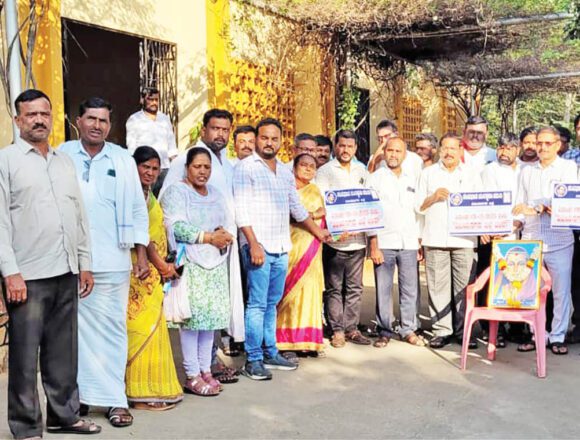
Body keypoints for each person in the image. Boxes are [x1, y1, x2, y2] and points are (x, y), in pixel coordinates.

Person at [0, 89, 101, 438]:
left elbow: (79, 216)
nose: (39, 120)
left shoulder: (63, 161)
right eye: (31, 115)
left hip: (66, 271)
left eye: (44, 113)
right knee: (25, 358)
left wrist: (84, 262)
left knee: (63, 352)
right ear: (18, 120)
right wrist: (10, 271)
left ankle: (64, 415)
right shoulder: (6, 161)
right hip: (27, 276)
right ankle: (27, 427)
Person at [60, 97, 149, 428]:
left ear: (110, 126)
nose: (97, 125)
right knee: (74, 334)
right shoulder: (63, 154)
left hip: (113, 259)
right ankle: (81, 397)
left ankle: (114, 399)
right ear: (78, 121)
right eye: (91, 118)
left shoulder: (122, 158)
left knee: (113, 330)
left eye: (103, 121)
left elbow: (138, 209)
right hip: (70, 260)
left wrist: (140, 254)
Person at [234, 118, 330, 380]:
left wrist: (318, 231)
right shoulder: (246, 168)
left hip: (280, 247)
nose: (269, 143)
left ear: (281, 141)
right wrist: (253, 243)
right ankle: (253, 359)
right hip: (259, 247)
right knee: (256, 304)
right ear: (256, 139)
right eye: (264, 138)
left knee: (271, 303)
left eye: (274, 139)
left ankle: (270, 352)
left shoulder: (286, 171)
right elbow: (241, 210)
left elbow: (296, 208)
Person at [162, 109, 244, 380]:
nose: (220, 133)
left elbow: (226, 213)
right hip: (194, 259)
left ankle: (207, 369)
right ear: (203, 130)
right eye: (215, 128)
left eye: (225, 129)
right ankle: (194, 373)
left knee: (210, 318)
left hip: (218, 258)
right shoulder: (182, 166)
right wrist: (208, 237)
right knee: (193, 319)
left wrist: (223, 235)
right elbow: (170, 217)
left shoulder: (227, 164)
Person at [125, 146, 183, 410]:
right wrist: (161, 265)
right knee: (139, 328)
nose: (149, 172)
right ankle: (138, 394)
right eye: (144, 167)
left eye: (154, 168)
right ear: (134, 167)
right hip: (140, 271)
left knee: (152, 325)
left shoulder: (148, 193)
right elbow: (142, 236)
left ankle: (151, 389)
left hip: (152, 273)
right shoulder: (132, 194)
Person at [513, 126, 578, 355]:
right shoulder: (526, 171)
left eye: (547, 143)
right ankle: (536, 334)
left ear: (558, 145)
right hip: (531, 239)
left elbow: (565, 200)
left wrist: (541, 207)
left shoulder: (568, 168)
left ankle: (558, 335)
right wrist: (516, 221)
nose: (541, 147)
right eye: (538, 143)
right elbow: (520, 204)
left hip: (559, 240)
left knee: (560, 291)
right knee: (533, 291)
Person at [415, 133, 482, 349]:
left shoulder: (472, 174)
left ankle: (465, 331)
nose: (448, 152)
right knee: (437, 286)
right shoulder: (428, 173)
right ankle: (441, 330)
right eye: (445, 148)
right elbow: (417, 206)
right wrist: (433, 197)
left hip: (464, 240)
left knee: (464, 288)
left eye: (453, 148)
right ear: (439, 150)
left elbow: (480, 204)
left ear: (461, 151)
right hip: (435, 238)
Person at [367, 137, 424, 348]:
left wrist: (419, 241)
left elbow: (417, 212)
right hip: (384, 241)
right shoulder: (376, 178)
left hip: (408, 241)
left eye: (398, 151)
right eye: (390, 150)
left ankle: (408, 329)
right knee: (383, 288)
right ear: (384, 152)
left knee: (410, 289)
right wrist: (373, 243)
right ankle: (385, 330)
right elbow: (370, 212)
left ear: (405, 154)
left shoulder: (412, 179)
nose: (393, 155)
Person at [316, 129, 370, 348]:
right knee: (334, 288)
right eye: (342, 145)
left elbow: (369, 202)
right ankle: (337, 330)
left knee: (356, 287)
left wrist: (366, 227)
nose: (345, 150)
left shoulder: (362, 170)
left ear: (355, 148)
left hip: (358, 240)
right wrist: (338, 229)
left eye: (350, 146)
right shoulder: (325, 171)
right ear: (335, 146)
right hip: (334, 241)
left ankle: (352, 328)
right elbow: (321, 205)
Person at [276, 154, 326, 355]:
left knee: (310, 291)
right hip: (290, 245)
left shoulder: (315, 191)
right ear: (294, 167)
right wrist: (313, 216)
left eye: (312, 166)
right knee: (289, 292)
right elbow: (288, 216)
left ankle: (307, 341)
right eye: (303, 165)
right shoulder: (286, 189)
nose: (307, 169)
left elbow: (326, 219)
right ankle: (285, 341)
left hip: (312, 249)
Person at [479, 133, 523, 347]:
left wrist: (516, 223)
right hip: (493, 233)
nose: (503, 152)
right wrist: (489, 227)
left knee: (516, 281)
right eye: (501, 147)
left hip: (519, 233)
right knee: (492, 282)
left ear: (518, 150)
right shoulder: (489, 170)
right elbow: (485, 200)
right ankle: (491, 329)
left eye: (509, 148)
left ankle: (515, 327)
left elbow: (527, 199)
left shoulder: (526, 169)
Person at [126, 87, 178, 195]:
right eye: (150, 99)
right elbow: (131, 147)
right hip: (146, 170)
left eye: (156, 100)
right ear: (142, 99)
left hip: (164, 168)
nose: (154, 103)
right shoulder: (134, 119)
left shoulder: (164, 118)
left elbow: (171, 143)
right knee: (145, 200)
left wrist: (175, 165)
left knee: (164, 199)